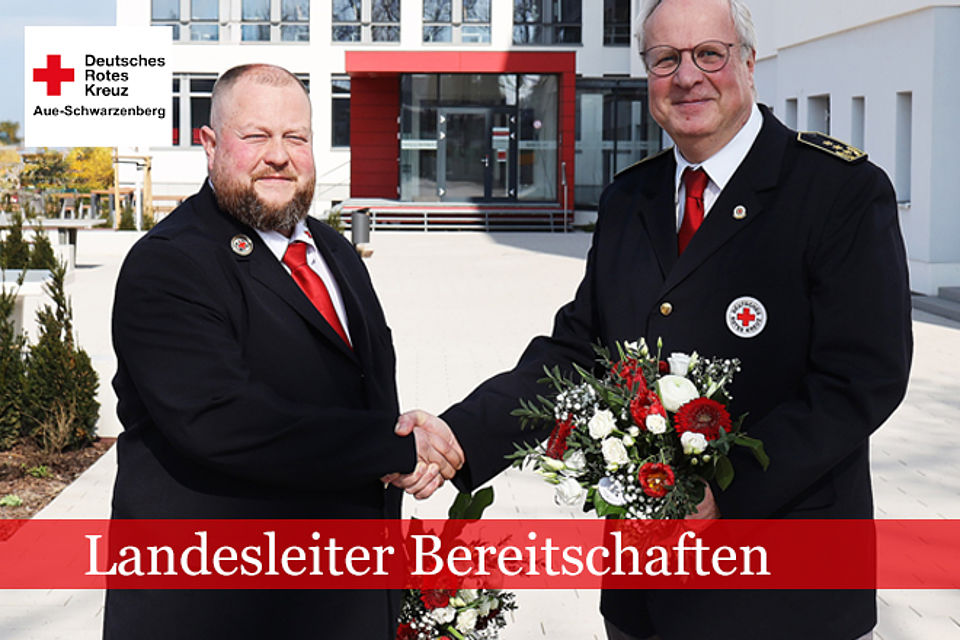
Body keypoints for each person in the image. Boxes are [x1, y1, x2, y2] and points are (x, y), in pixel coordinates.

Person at [394, 0, 913, 638]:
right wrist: (458, 434)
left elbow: (862, 378)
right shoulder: (630, 197)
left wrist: (728, 489)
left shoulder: (838, 190)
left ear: (748, 64)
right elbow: (578, 354)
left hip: (785, 587)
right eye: (665, 59)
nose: (687, 76)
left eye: (708, 55)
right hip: (647, 590)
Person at [105, 63, 461, 640]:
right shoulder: (170, 263)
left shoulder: (333, 250)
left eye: (295, 137)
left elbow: (357, 387)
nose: (279, 155)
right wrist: (388, 446)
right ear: (210, 145)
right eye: (256, 137)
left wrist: (403, 429)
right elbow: (222, 420)